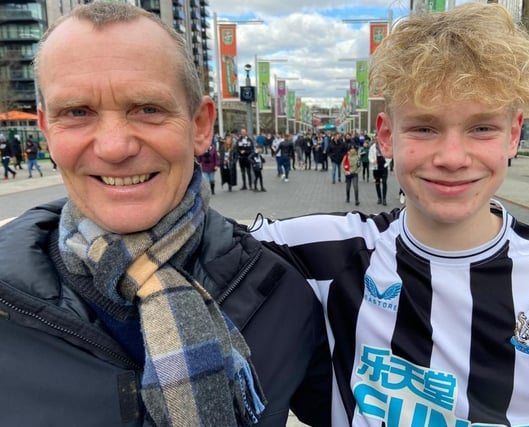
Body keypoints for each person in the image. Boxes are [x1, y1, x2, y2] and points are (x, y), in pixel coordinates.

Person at [250, 4, 529, 426]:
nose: (452, 158)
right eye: (424, 127)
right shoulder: (320, 251)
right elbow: (187, 235)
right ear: (386, 136)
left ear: (513, 135)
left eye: (481, 128)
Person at [0, 3, 331, 426]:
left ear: (200, 125)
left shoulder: (283, 297)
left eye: (148, 109)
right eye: (78, 113)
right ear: (46, 131)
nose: (115, 147)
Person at [368, 136, 390, 205]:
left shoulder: (385, 146)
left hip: (383, 165)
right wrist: (372, 161)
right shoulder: (373, 147)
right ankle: (379, 198)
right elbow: (370, 156)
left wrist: (387, 163)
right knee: (377, 182)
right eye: (376, 138)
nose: (378, 139)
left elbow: (389, 155)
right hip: (376, 166)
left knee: (384, 182)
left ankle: (384, 199)